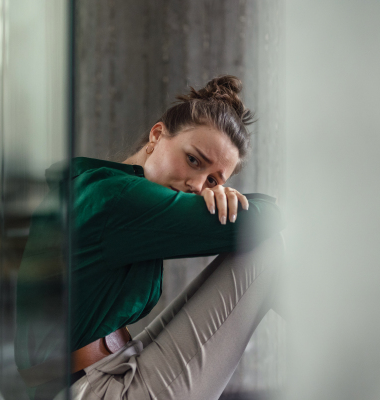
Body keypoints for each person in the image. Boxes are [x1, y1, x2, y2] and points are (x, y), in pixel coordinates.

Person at [16, 75, 286, 400]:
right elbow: (265, 220)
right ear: (157, 135)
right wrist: (245, 203)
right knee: (264, 246)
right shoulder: (118, 197)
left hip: (109, 372)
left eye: (214, 180)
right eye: (193, 160)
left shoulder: (101, 184)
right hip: (90, 391)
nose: (198, 186)